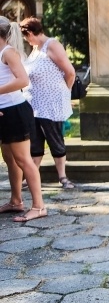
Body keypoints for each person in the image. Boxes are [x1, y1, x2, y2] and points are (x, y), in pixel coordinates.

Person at [19, 17, 76, 188]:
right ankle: (31, 176)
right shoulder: (35, 49)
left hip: (51, 104)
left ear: (30, 33)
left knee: (54, 139)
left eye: (26, 37)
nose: (26, 40)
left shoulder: (52, 45)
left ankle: (62, 176)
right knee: (35, 142)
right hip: (34, 106)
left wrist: (64, 92)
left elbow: (70, 72)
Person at [0, 17, 48, 222]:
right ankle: (16, 201)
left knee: (23, 160)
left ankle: (39, 207)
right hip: (5, 111)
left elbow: (23, 80)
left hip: (15, 111)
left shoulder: (8, 52)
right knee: (9, 159)